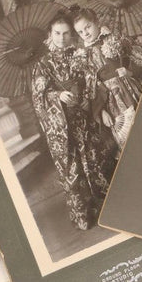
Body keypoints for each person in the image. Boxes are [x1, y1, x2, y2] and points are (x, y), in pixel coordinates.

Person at [30, 14, 113, 231]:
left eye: (66, 33)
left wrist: (86, 98)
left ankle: (108, 206)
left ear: (72, 34)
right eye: (57, 33)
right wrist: (57, 95)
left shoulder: (80, 55)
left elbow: (93, 81)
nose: (62, 38)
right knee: (72, 166)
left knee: (94, 158)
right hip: (61, 125)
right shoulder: (42, 64)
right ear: (50, 34)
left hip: (83, 116)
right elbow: (38, 96)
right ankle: (84, 214)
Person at [74, 6, 142, 148]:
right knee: (127, 136)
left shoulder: (115, 38)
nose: (85, 33)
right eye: (80, 32)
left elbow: (140, 60)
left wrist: (130, 72)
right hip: (109, 100)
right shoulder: (85, 56)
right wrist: (101, 111)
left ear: (96, 22)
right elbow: (90, 87)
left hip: (130, 87)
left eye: (88, 27)